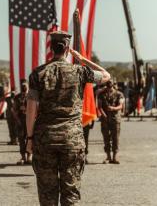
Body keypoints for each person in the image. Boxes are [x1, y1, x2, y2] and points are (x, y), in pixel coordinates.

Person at [26, 30, 110, 206]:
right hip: (72, 139)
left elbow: (31, 109)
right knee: (70, 193)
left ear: (51, 47)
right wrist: (80, 58)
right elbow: (106, 75)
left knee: (47, 194)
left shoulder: (38, 74)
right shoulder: (80, 71)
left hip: (45, 138)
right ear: (67, 48)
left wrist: (29, 137)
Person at [98, 80, 124, 164]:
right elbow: (99, 106)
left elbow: (120, 105)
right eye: (107, 86)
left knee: (115, 138)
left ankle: (115, 156)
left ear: (113, 86)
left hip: (115, 119)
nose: (109, 88)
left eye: (110, 87)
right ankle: (108, 156)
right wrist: (103, 114)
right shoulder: (101, 94)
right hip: (105, 119)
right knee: (106, 138)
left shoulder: (119, 94)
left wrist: (113, 108)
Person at [13, 79, 31, 164]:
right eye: (22, 85)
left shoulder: (32, 96)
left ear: (28, 86)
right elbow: (14, 110)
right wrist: (18, 120)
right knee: (21, 140)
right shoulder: (17, 97)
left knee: (30, 139)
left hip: (29, 121)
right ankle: (23, 157)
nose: (24, 87)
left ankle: (29, 157)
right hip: (20, 121)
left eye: (25, 85)